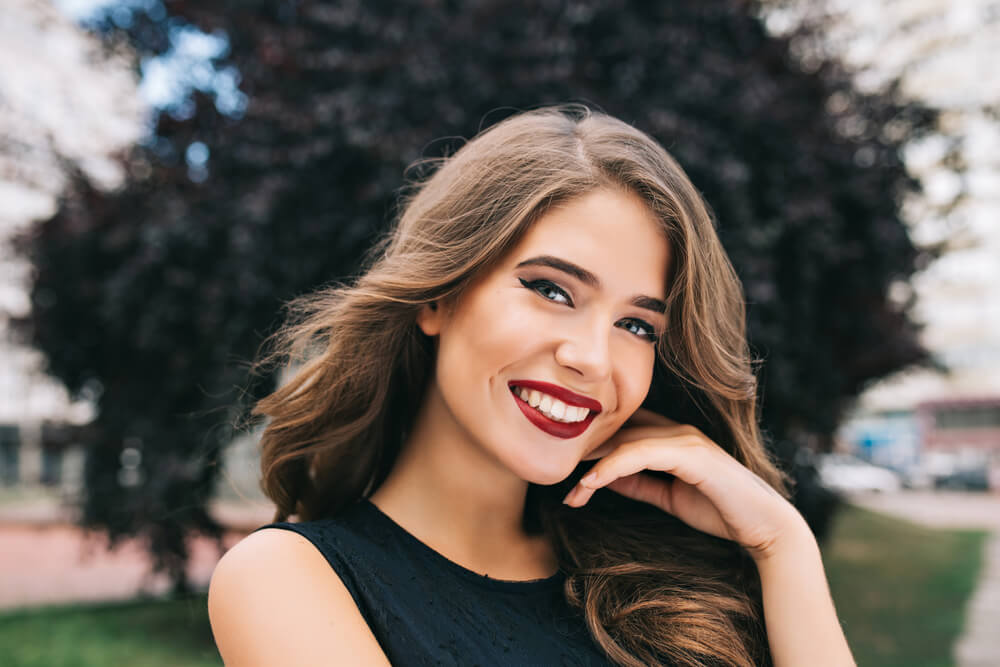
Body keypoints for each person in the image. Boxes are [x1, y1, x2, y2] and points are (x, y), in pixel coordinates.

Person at [207, 105, 856, 666]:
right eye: (551, 289)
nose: (592, 358)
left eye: (636, 324)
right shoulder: (289, 580)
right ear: (439, 296)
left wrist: (781, 542)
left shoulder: (667, 582)